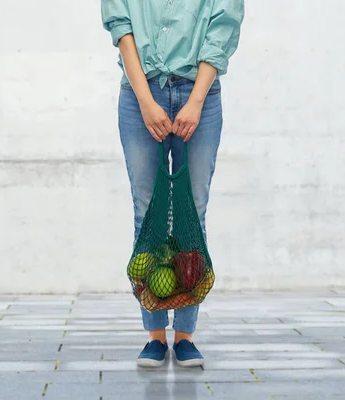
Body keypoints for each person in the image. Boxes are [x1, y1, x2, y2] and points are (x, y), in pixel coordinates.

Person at [101, 0, 244, 368]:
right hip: (139, 96)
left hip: (201, 96)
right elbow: (122, 27)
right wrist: (146, 102)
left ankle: (185, 335)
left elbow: (222, 26)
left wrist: (196, 101)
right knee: (146, 213)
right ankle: (154, 334)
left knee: (191, 214)